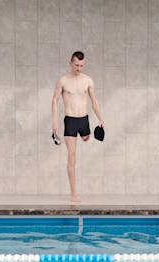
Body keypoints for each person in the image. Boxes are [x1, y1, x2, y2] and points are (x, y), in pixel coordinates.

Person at [52, 51, 104, 202]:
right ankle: (74, 193)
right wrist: (55, 121)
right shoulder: (63, 81)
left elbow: (94, 101)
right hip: (70, 121)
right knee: (72, 156)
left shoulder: (87, 80)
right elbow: (55, 100)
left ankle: (85, 134)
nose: (79, 68)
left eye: (81, 65)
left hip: (84, 120)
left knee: (87, 137)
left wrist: (100, 118)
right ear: (70, 63)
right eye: (76, 65)